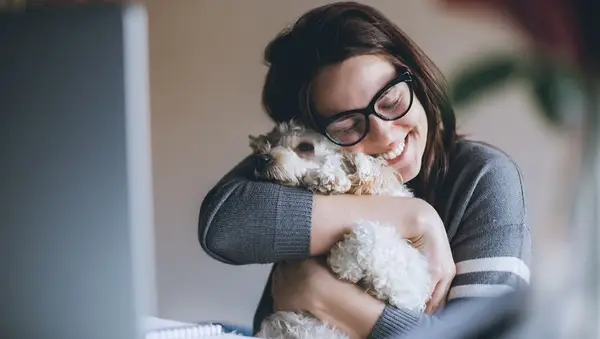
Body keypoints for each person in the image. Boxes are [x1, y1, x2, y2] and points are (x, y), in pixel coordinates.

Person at [198, 2, 531, 338]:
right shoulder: (308, 165)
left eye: (391, 101)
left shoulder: (484, 179)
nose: (384, 134)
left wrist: (322, 295)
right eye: (347, 125)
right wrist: (413, 215)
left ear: (415, 81)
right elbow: (224, 224)